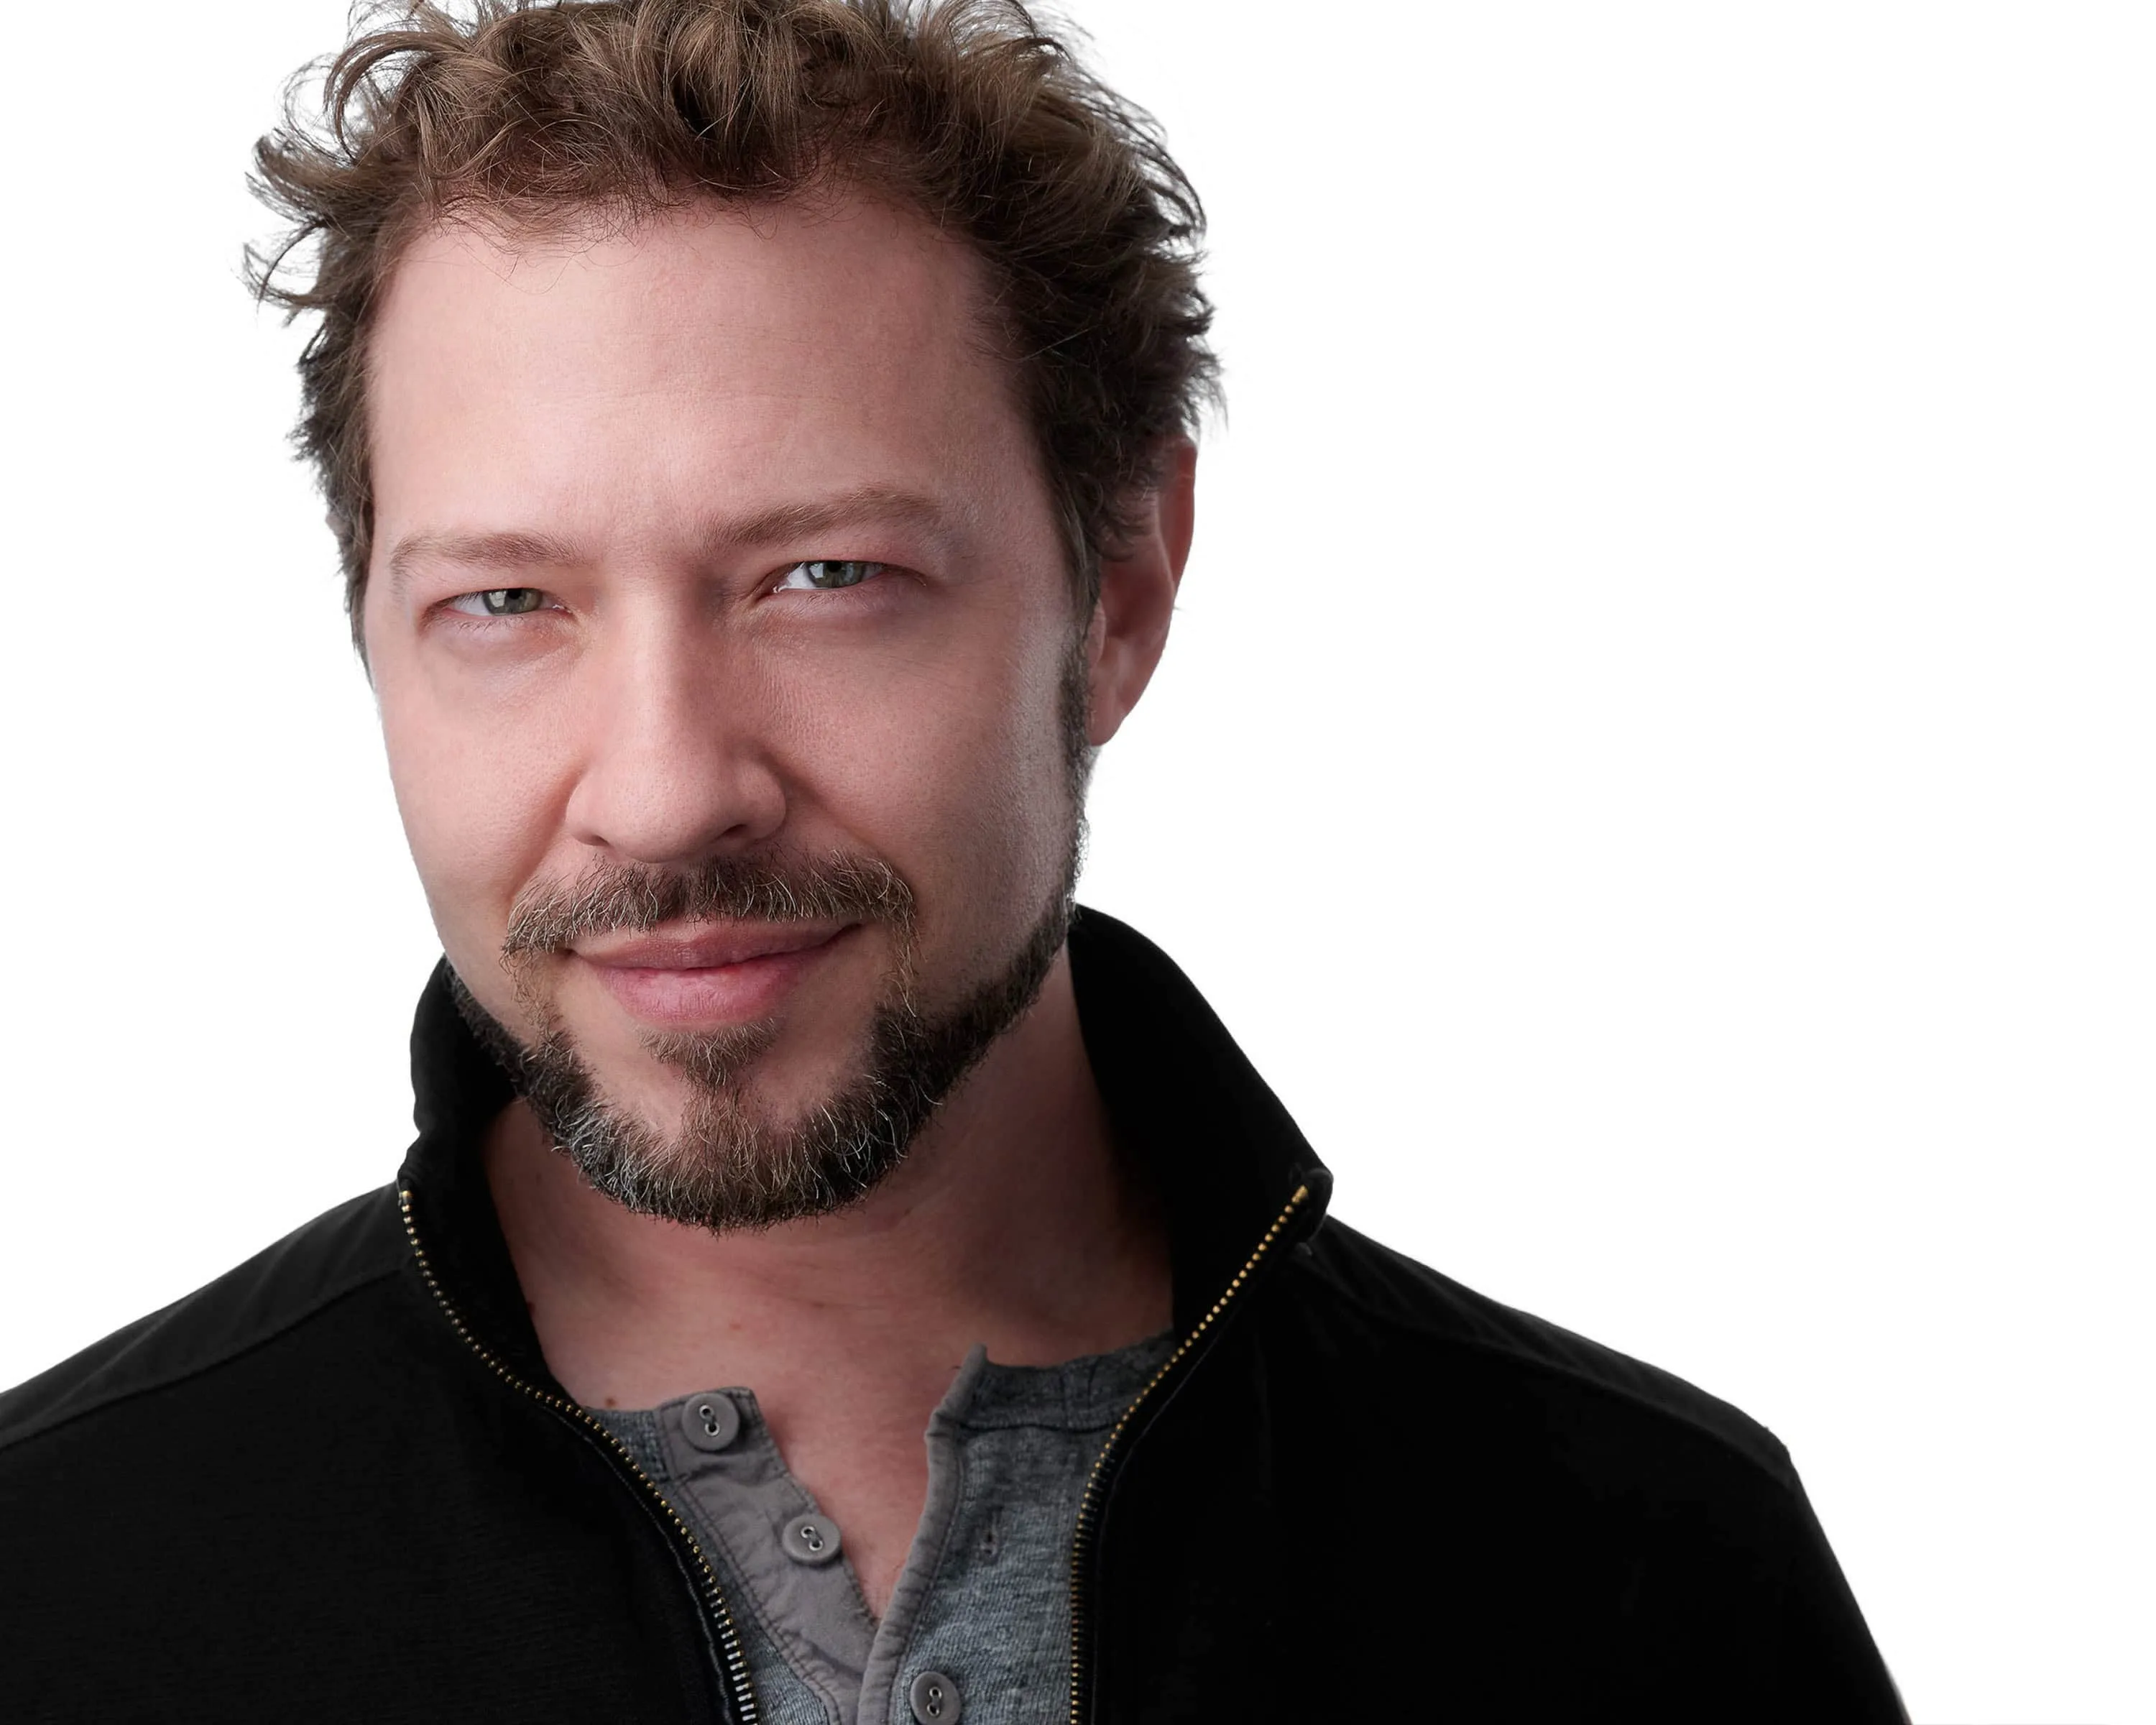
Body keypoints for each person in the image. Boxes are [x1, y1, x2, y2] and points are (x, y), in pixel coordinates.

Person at [0, 2, 1908, 1719]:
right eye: (508, 601)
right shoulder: (55, 1583)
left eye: (827, 578)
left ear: (1124, 593)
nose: (667, 793)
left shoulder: (1645, 1585)